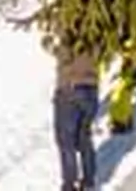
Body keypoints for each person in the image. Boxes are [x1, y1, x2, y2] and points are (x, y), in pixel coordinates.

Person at [51, 48, 103, 191]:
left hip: (70, 86)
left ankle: (70, 184)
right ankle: (89, 182)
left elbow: (61, 52)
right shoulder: (96, 30)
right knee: (84, 137)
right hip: (91, 88)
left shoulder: (69, 30)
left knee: (66, 140)